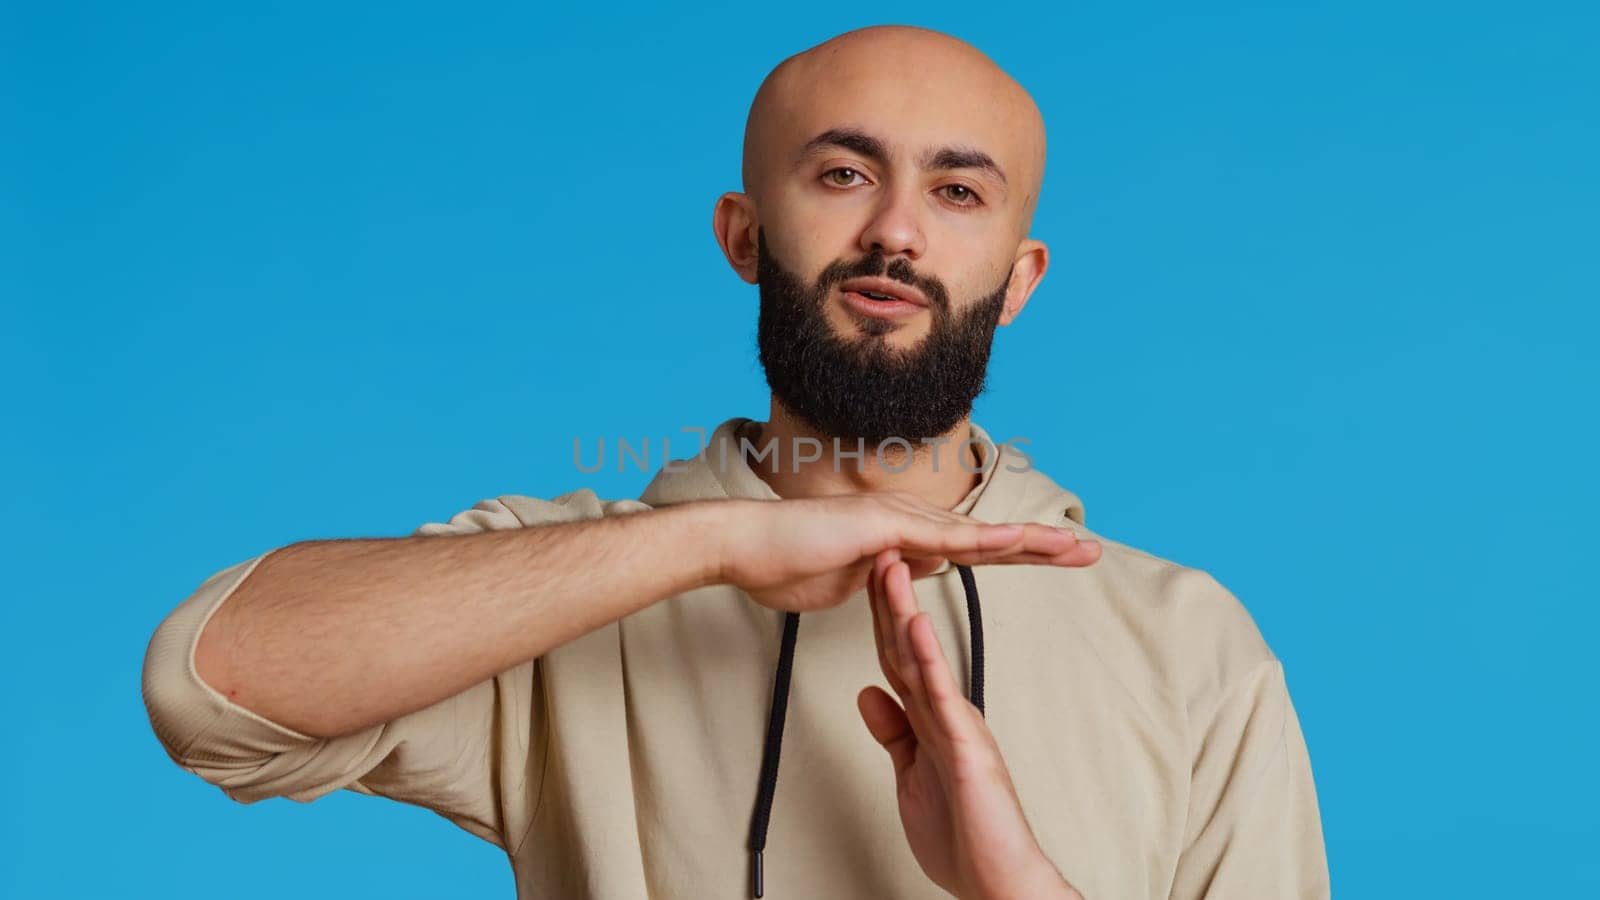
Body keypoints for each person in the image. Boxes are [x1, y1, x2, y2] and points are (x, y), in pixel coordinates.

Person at [141, 24, 1330, 900]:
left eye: (957, 191)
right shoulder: (579, 592)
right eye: (844, 174)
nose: (896, 232)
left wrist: (1015, 884)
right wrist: (715, 540)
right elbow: (211, 686)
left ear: (1017, 283)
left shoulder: (1184, 637)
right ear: (745, 238)